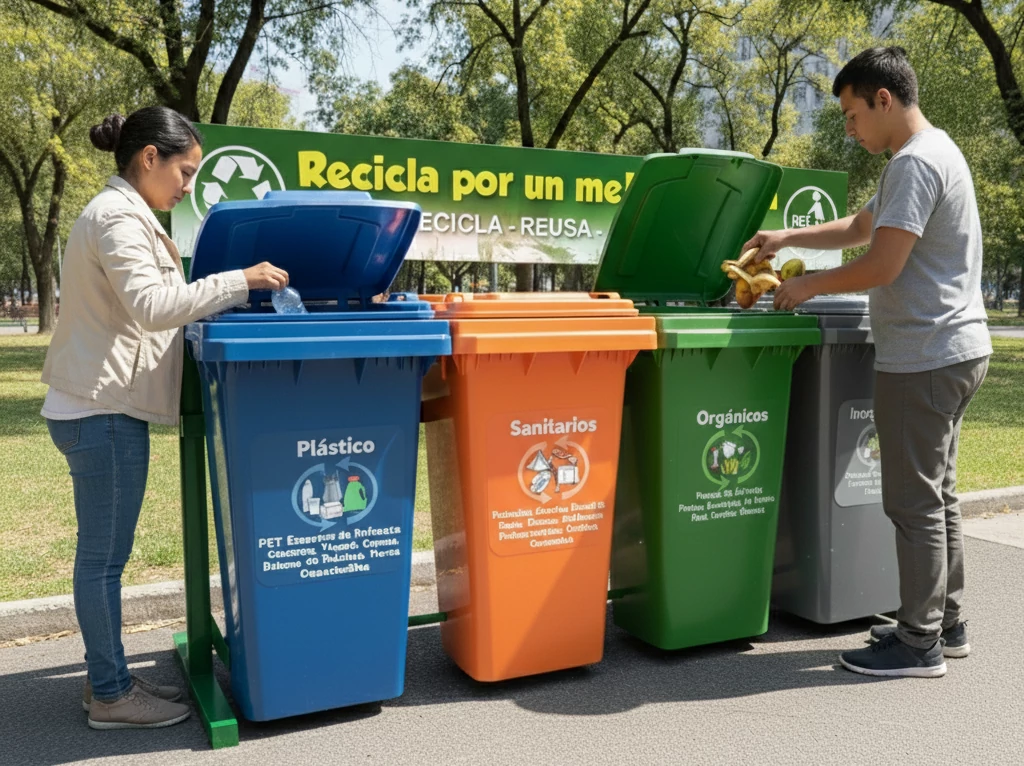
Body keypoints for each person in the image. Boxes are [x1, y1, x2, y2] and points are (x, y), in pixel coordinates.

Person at [741, 47, 991, 678]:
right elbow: (861, 227)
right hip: (956, 350)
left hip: (923, 356)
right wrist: (787, 237)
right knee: (937, 495)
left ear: (884, 99)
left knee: (911, 503)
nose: (850, 130)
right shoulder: (933, 152)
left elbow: (883, 264)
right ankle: (945, 623)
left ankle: (918, 643)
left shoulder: (915, 163)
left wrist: (806, 286)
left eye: (853, 115)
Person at [42, 107, 289, 728]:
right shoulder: (115, 217)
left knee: (103, 556)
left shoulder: (125, 214)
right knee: (103, 560)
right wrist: (241, 280)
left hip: (99, 404)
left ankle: (107, 677)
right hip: (100, 410)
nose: (187, 186)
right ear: (149, 157)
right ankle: (110, 695)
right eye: (185, 171)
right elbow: (153, 306)